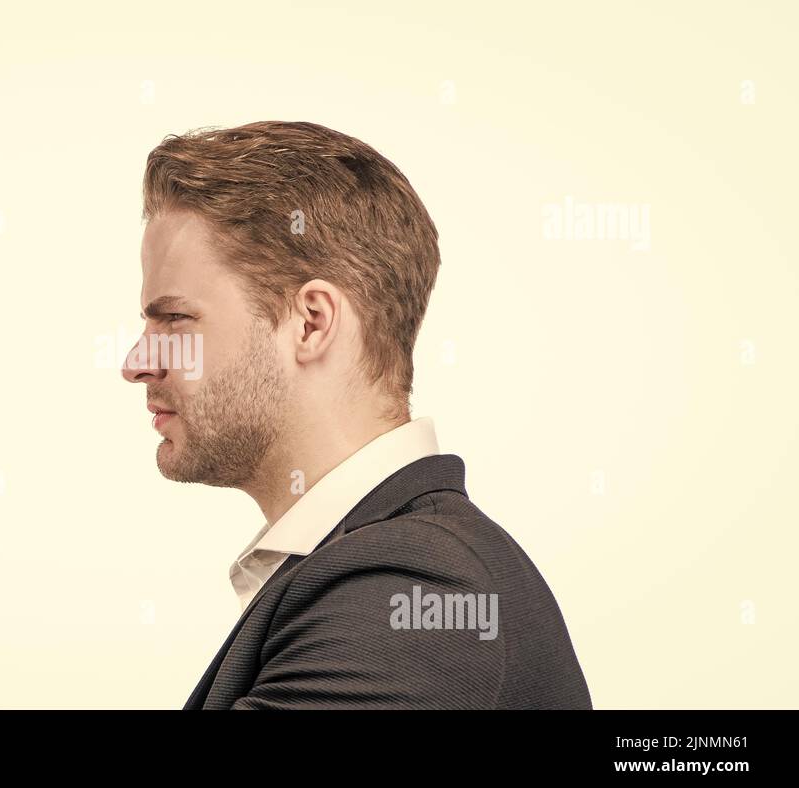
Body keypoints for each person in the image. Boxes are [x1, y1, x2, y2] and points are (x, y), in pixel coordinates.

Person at [122, 121, 591, 709]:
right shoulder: (383, 566)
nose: (138, 362)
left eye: (175, 321)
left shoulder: (413, 588)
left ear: (311, 322)